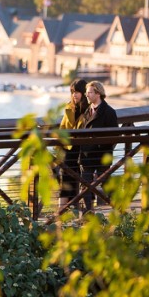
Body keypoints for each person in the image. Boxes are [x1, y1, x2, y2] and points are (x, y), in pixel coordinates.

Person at [79, 81, 119, 212]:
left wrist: (102, 145)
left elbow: (115, 135)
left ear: (98, 93)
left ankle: (118, 208)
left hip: (102, 154)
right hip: (86, 154)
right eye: (86, 93)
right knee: (85, 184)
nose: (87, 95)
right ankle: (89, 213)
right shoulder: (87, 110)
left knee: (106, 183)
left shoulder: (109, 112)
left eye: (90, 92)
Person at [58, 79, 88, 211]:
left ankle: (84, 211)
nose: (74, 95)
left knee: (84, 181)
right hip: (68, 149)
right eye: (72, 92)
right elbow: (62, 128)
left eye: (77, 92)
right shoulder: (69, 107)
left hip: (83, 150)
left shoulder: (89, 110)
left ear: (84, 93)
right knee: (65, 180)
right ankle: (61, 210)